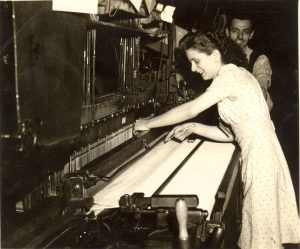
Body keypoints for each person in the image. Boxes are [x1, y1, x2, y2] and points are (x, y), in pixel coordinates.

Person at [133, 32, 300, 249]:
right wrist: (194, 127)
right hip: (264, 155)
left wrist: (148, 123)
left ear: (214, 55)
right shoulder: (239, 74)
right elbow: (231, 134)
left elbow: (191, 108)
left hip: (261, 160)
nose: (193, 68)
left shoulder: (229, 77)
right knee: (262, 229)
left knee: (261, 236)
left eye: (196, 61)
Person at [225, 13, 273, 110]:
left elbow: (261, 89)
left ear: (251, 35)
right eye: (235, 31)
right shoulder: (219, 56)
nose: (240, 37)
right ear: (227, 32)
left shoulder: (260, 59)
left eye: (245, 32)